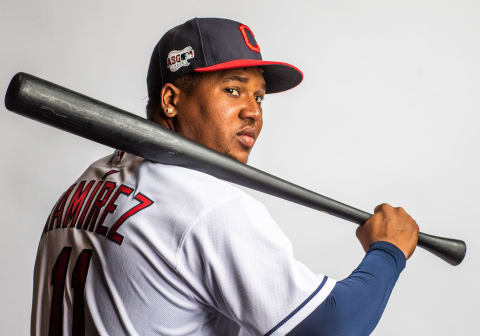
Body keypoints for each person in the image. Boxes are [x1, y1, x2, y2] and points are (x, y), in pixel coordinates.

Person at [31, 17, 419, 335]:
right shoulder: (209, 208)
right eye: (233, 90)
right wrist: (388, 251)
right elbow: (331, 327)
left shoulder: (84, 187)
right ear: (171, 100)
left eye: (259, 97)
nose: (254, 111)